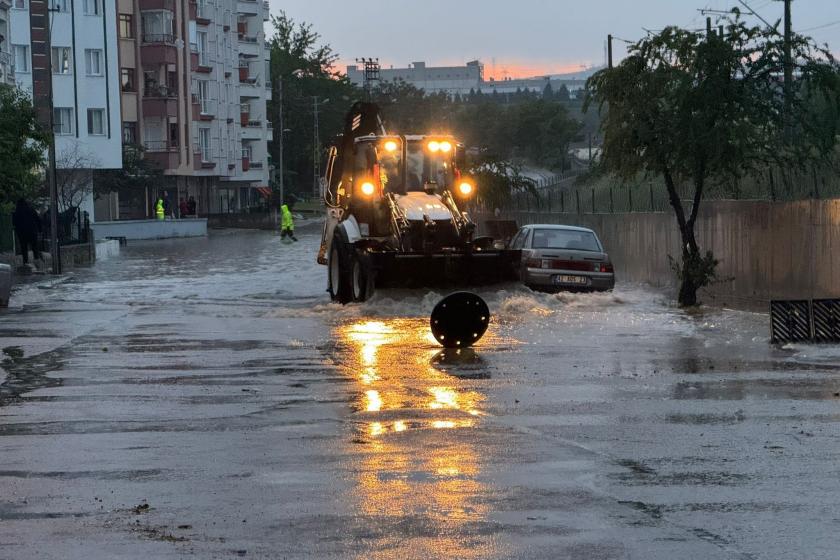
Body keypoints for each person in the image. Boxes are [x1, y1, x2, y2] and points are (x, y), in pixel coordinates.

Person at [11, 199, 42, 267]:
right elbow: (38, 220)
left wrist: (18, 231)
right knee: (35, 248)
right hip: (32, 232)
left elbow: (14, 223)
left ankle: (25, 263)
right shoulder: (31, 210)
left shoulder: (16, 212)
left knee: (24, 249)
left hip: (22, 234)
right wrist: (40, 230)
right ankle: (37, 264)